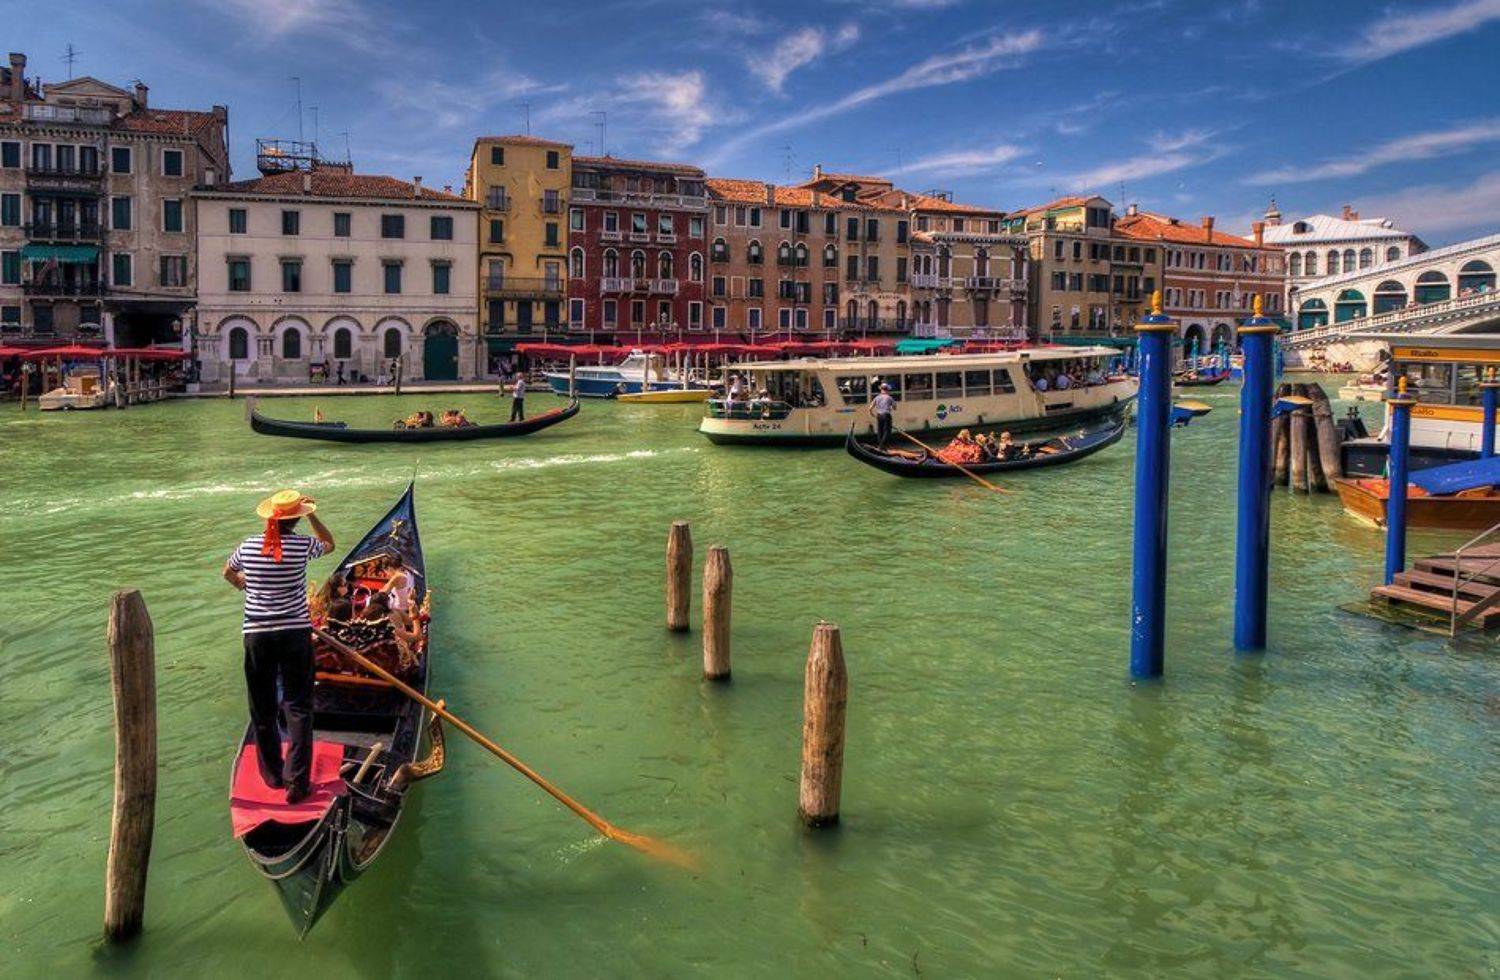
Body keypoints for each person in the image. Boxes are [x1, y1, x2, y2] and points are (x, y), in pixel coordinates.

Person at [223, 490, 335, 803]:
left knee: (263, 706)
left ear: (270, 516)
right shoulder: (302, 545)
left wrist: (247, 586)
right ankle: (297, 783)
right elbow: (329, 543)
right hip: (295, 634)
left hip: (257, 634)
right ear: (296, 518)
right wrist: (313, 513)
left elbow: (227, 572)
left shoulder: (248, 546)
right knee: (298, 707)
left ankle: (272, 775)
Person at [869, 382, 896, 448]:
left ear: (881, 389)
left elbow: (870, 408)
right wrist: (891, 407)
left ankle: (881, 446)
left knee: (880, 431)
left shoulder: (877, 398)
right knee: (887, 431)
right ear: (887, 390)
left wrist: (872, 414)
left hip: (879, 415)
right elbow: (895, 407)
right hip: (886, 415)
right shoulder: (889, 398)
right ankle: (881, 446)